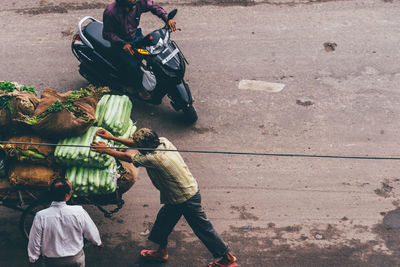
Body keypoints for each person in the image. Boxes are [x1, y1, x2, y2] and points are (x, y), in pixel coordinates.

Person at [91, 128, 237, 267]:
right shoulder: (162, 141)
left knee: (202, 228)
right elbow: (135, 144)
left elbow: (128, 157)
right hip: (178, 196)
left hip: (185, 198)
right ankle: (161, 252)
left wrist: (105, 150)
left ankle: (227, 257)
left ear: (146, 148)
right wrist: (110, 138)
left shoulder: (155, 159)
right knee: (163, 223)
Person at [102, 0, 177, 99]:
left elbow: (154, 7)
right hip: (121, 44)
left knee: (152, 55)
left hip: (135, 37)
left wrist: (167, 18)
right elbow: (107, 33)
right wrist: (122, 43)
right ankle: (138, 87)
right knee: (134, 65)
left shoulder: (139, 2)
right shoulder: (111, 12)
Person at [28, 178, 103, 267]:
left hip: (51, 263)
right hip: (75, 261)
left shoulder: (41, 216)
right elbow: (90, 231)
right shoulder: (79, 212)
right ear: (67, 195)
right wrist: (98, 243)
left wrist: (33, 260)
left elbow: (34, 242)